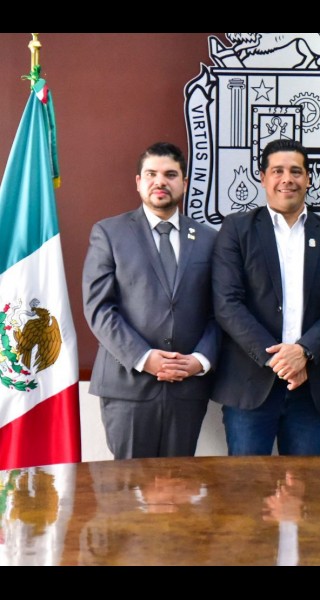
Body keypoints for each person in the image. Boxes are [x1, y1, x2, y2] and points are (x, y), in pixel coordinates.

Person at [211, 138, 320, 456]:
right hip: (250, 386)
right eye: (277, 171)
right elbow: (227, 304)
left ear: (308, 178)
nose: (287, 179)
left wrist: (304, 352)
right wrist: (279, 360)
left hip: (310, 387)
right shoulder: (237, 229)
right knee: (247, 484)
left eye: (296, 171)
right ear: (263, 178)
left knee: (303, 485)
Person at [82, 141, 219, 459]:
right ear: (138, 182)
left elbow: (221, 311)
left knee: (178, 483)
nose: (160, 182)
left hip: (187, 387)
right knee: (129, 486)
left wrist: (201, 360)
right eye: (151, 174)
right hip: (127, 385)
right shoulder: (109, 233)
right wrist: (144, 358)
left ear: (184, 183)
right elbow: (100, 308)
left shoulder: (210, 239)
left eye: (170, 175)